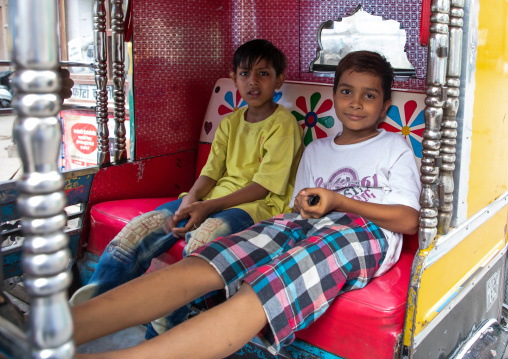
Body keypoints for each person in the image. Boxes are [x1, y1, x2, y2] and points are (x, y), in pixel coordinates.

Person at [72, 50, 421, 358]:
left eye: (369, 95)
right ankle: (63, 331)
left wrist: (339, 201)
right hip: (299, 224)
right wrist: (307, 204)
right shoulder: (317, 151)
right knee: (212, 260)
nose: (356, 103)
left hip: (360, 233)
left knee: (266, 285)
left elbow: (407, 221)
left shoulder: (393, 148)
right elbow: (298, 210)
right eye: (347, 92)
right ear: (333, 97)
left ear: (385, 106)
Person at [70, 39, 303, 336]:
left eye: (263, 74)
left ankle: (166, 328)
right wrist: (190, 201)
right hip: (211, 199)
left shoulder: (284, 124)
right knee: (140, 228)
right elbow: (210, 173)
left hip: (255, 207)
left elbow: (262, 187)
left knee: (201, 241)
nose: (252, 82)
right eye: (245, 74)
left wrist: (206, 207)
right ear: (234, 78)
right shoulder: (230, 122)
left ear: (279, 79)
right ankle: (96, 303)